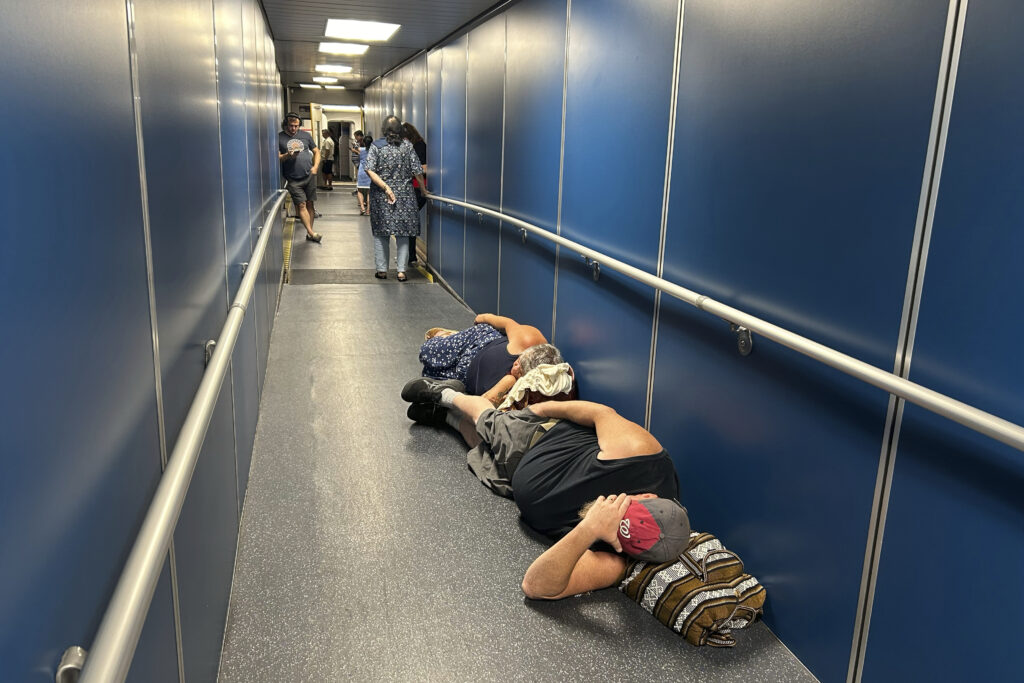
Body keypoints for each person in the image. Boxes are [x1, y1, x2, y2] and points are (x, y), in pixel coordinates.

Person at [400, 378, 681, 540]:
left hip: (516, 479)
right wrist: (544, 409)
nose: (621, 516)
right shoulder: (640, 452)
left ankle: (444, 417)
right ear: (648, 496)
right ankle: (444, 393)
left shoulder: (642, 537)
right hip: (541, 439)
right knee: (490, 421)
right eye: (628, 512)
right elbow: (601, 413)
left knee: (483, 446)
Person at [417, 313, 550, 402]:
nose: (515, 366)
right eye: (518, 361)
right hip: (478, 343)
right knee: (426, 352)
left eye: (520, 371)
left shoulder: (533, 388)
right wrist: (484, 317)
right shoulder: (528, 339)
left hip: (465, 377)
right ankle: (447, 336)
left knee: (428, 374)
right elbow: (507, 323)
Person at [365, 116, 426, 282]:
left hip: (381, 196)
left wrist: (385, 187)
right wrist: (423, 190)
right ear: (400, 130)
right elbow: (417, 170)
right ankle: (401, 271)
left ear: (383, 130)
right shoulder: (407, 146)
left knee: (381, 233)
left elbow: (369, 170)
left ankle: (382, 270)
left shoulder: (376, 146)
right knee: (403, 233)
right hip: (405, 196)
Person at [278, 112, 322, 243]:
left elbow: (316, 151)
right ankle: (311, 232)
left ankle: (310, 232)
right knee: (301, 204)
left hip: (308, 175)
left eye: (296, 126)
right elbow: (278, 157)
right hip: (293, 179)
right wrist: (288, 155)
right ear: (286, 125)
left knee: (310, 204)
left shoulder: (305, 136)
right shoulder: (279, 137)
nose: (293, 128)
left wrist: (315, 167)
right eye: (291, 126)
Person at [401, 122, 427, 265]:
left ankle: (410, 255)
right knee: (408, 222)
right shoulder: (410, 146)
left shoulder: (419, 146)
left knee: (408, 222)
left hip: (417, 189)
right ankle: (409, 255)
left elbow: (424, 168)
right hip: (411, 188)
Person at [356, 135, 373, 216]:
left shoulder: (361, 149)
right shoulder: (374, 151)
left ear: (364, 142)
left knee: (359, 190)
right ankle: (368, 210)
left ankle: (362, 208)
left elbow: (356, 148)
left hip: (362, 171)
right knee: (369, 191)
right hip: (370, 172)